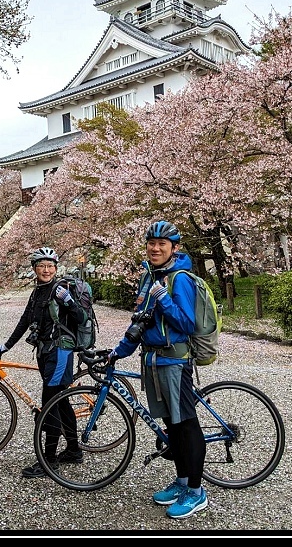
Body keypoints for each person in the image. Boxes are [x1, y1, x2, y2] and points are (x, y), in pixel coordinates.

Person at [108, 221, 208, 519]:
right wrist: (118, 352)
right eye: (151, 242)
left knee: (186, 424)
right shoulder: (148, 276)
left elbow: (187, 323)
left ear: (174, 248)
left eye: (162, 243)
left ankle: (196, 490)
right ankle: (180, 481)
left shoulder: (180, 279)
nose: (155, 248)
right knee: (172, 426)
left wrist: (163, 299)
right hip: (152, 360)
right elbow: (139, 320)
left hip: (175, 361)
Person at [0, 247, 86, 478]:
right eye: (41, 266)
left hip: (60, 352)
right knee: (61, 402)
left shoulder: (60, 290)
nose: (46, 270)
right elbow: (25, 320)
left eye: (50, 266)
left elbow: (81, 318)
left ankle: (49, 460)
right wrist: (6, 346)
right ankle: (74, 450)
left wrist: (69, 302)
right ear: (35, 269)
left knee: (51, 404)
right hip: (46, 352)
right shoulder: (37, 292)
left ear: (56, 268)